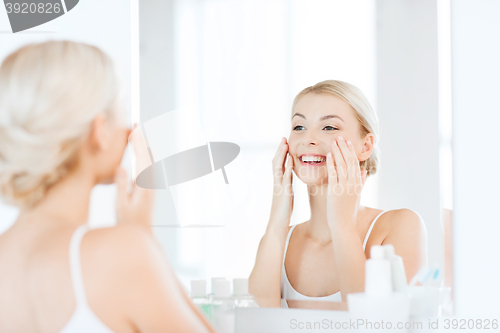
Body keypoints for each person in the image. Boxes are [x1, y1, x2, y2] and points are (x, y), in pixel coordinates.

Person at [0, 41, 215, 333]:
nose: (129, 130)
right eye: (121, 111)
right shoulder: (121, 253)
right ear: (99, 131)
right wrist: (143, 235)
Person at [249, 80, 427, 308]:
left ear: (365, 145)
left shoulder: (401, 225)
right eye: (299, 127)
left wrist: (342, 224)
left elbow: (375, 325)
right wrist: (276, 223)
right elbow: (256, 326)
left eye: (329, 127)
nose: (308, 139)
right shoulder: (278, 241)